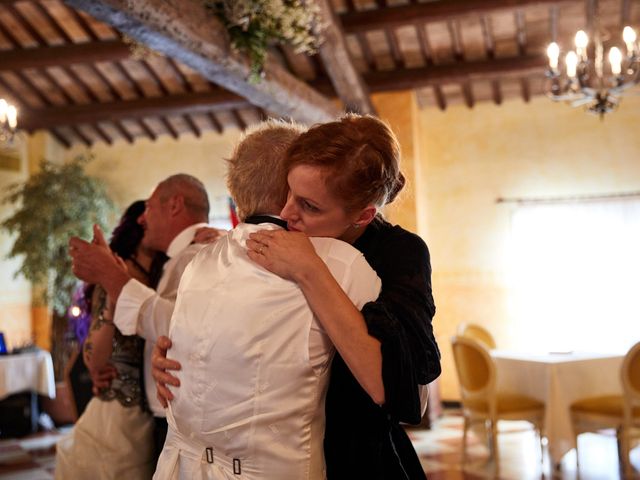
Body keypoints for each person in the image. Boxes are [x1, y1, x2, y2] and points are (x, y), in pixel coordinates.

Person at [154, 114, 441, 479]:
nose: (287, 213)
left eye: (309, 205)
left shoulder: (398, 253)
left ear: (363, 215)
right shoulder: (279, 236)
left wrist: (310, 271)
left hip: (354, 456)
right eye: (288, 192)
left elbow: (404, 397)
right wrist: (185, 361)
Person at [69, 174, 219, 464]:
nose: (142, 221)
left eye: (149, 209)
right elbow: (94, 358)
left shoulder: (193, 257)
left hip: (167, 415)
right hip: (127, 414)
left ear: (174, 206)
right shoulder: (153, 272)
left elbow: (182, 327)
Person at [56, 201, 157, 479]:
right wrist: (114, 301)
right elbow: (93, 358)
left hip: (156, 415)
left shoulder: (168, 272)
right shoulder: (113, 277)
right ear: (141, 224)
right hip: (121, 412)